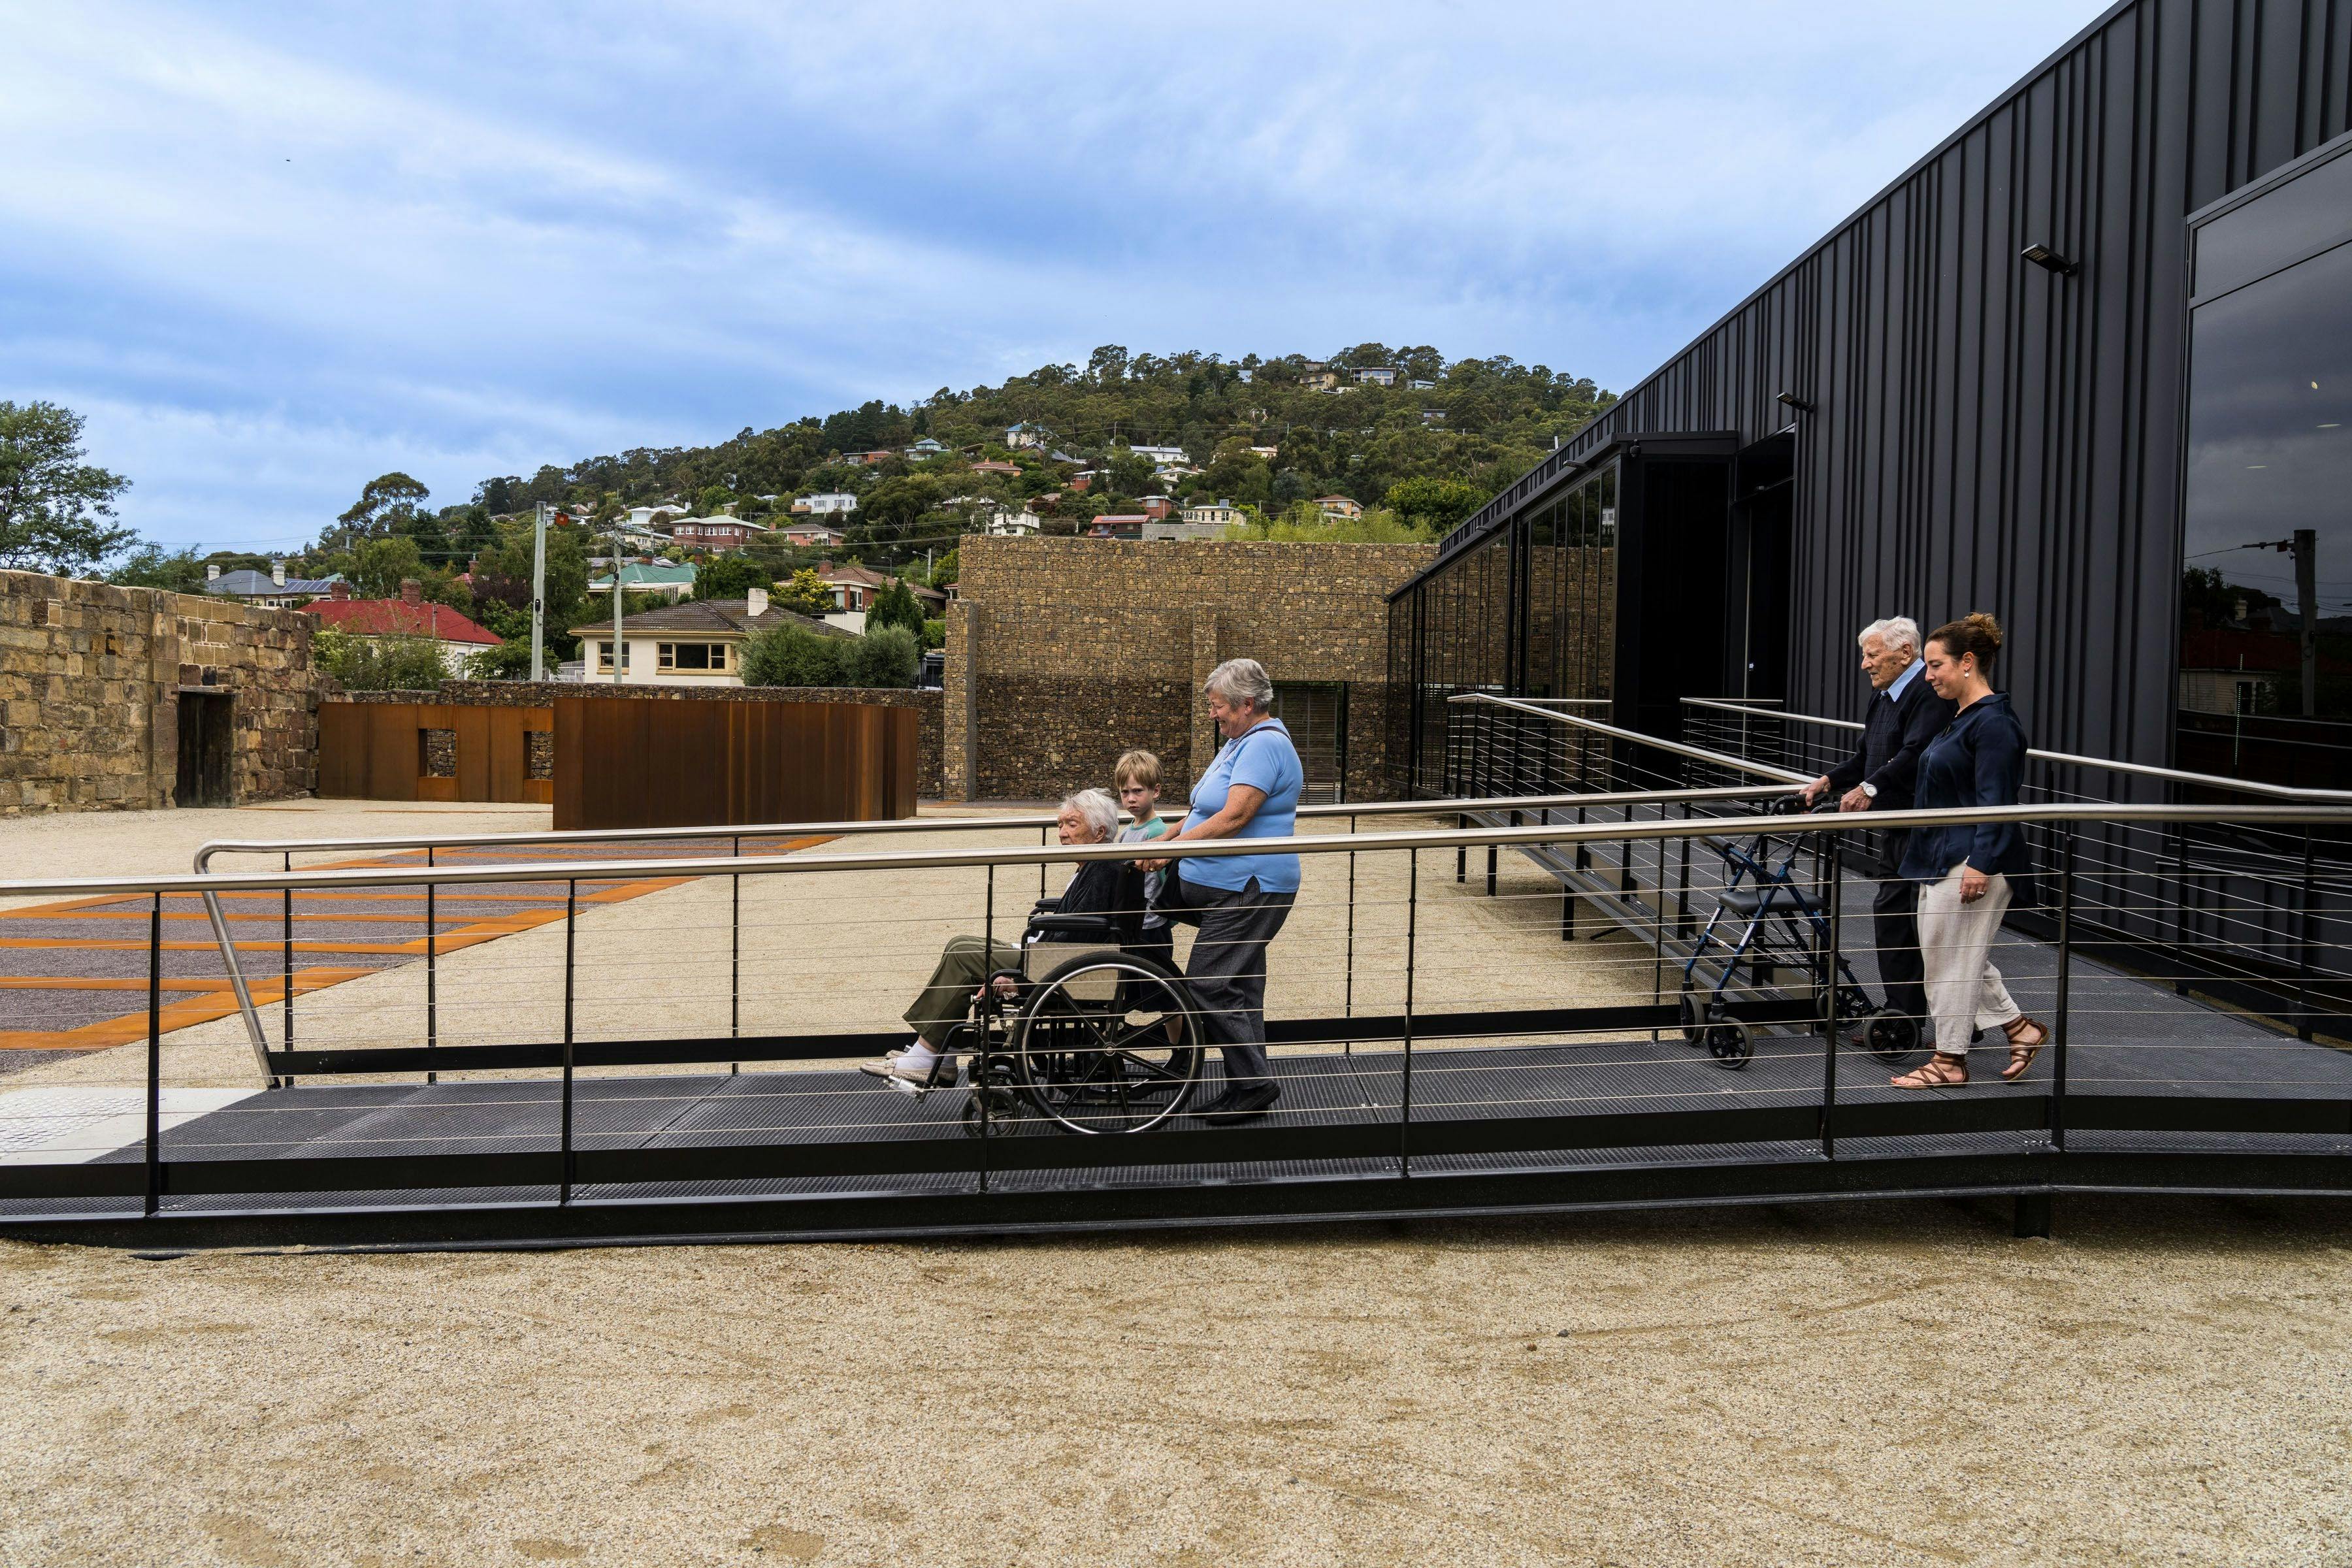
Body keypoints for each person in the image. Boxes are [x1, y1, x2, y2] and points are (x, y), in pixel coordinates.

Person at [862, 788, 1132, 1090]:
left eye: (1072, 824)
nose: (1062, 834)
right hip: (1054, 956)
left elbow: (1081, 938)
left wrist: (1024, 978)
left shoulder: (1103, 869)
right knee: (960, 943)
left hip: (1064, 966)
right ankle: (943, 1054)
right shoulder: (1095, 864)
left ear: (1099, 832)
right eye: (1059, 825)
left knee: (963, 955)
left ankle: (928, 1055)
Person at [1888, 613, 2050, 1089]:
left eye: (1935, 665)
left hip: (1972, 858)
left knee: (1950, 960)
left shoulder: (1995, 724)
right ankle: (2022, 1029)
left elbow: (1997, 801)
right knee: (1951, 954)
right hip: (1942, 854)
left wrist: (1980, 862)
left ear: (1968, 662)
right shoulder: (1962, 716)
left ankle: (1949, 1060)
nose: (1928, 675)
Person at [1139, 658, 1303, 1123]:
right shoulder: (1240, 742)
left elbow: (1234, 817)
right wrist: (1165, 838)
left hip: (1249, 887)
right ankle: (1246, 1084)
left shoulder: (1264, 746)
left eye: (1218, 706)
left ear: (1247, 704)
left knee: (1210, 982)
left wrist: (1171, 854)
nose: (1213, 714)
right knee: (1241, 986)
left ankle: (1252, 1084)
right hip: (1231, 888)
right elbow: (1202, 811)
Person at [1799, 616, 1955, 1043]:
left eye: (1872, 655)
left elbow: (1915, 751)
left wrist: (1871, 786)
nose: (1865, 664)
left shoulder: (1926, 694)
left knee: (1910, 923)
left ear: (1905, 653)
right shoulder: (1884, 697)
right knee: (1903, 921)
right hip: (1895, 827)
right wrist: (1829, 781)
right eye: (1864, 655)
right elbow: (1867, 756)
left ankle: (1911, 1018)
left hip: (1921, 829)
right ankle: (1921, 1016)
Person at [1113, 749, 1176, 973]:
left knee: (1160, 982)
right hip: (1134, 920)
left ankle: (1176, 1010)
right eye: (1125, 792)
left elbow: (1166, 882)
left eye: (1138, 791)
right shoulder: (1128, 831)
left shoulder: (1157, 831)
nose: (1131, 798)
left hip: (1151, 924)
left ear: (1155, 791)